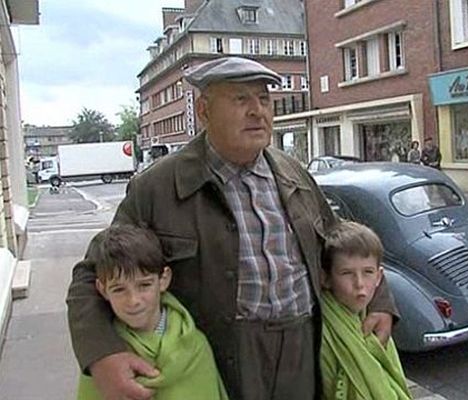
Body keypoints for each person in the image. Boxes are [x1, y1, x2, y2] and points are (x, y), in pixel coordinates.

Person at [66, 56, 397, 400]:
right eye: (241, 99)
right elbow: (92, 275)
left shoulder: (293, 173)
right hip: (222, 354)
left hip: (303, 345)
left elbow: (345, 245)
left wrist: (381, 302)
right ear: (204, 111)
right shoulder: (157, 187)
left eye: (264, 99)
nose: (257, 111)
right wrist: (102, 354)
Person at [76, 225, 229, 400]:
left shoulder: (196, 348)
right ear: (102, 290)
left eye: (144, 285)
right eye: (119, 289)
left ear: (164, 279)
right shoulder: (106, 359)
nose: (133, 300)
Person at [320, 221, 412, 400]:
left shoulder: (371, 319)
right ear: (326, 279)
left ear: (379, 277)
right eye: (347, 273)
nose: (359, 284)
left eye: (368, 272)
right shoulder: (322, 333)